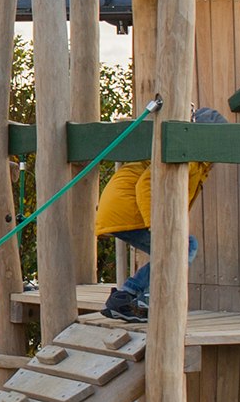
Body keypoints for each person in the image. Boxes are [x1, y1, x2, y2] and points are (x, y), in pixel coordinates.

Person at [95, 110, 226, 322]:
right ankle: (141, 297)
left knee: (169, 250)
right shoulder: (189, 158)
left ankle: (124, 300)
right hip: (127, 209)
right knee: (185, 246)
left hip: (119, 210)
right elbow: (146, 184)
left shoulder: (196, 161)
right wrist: (156, 224)